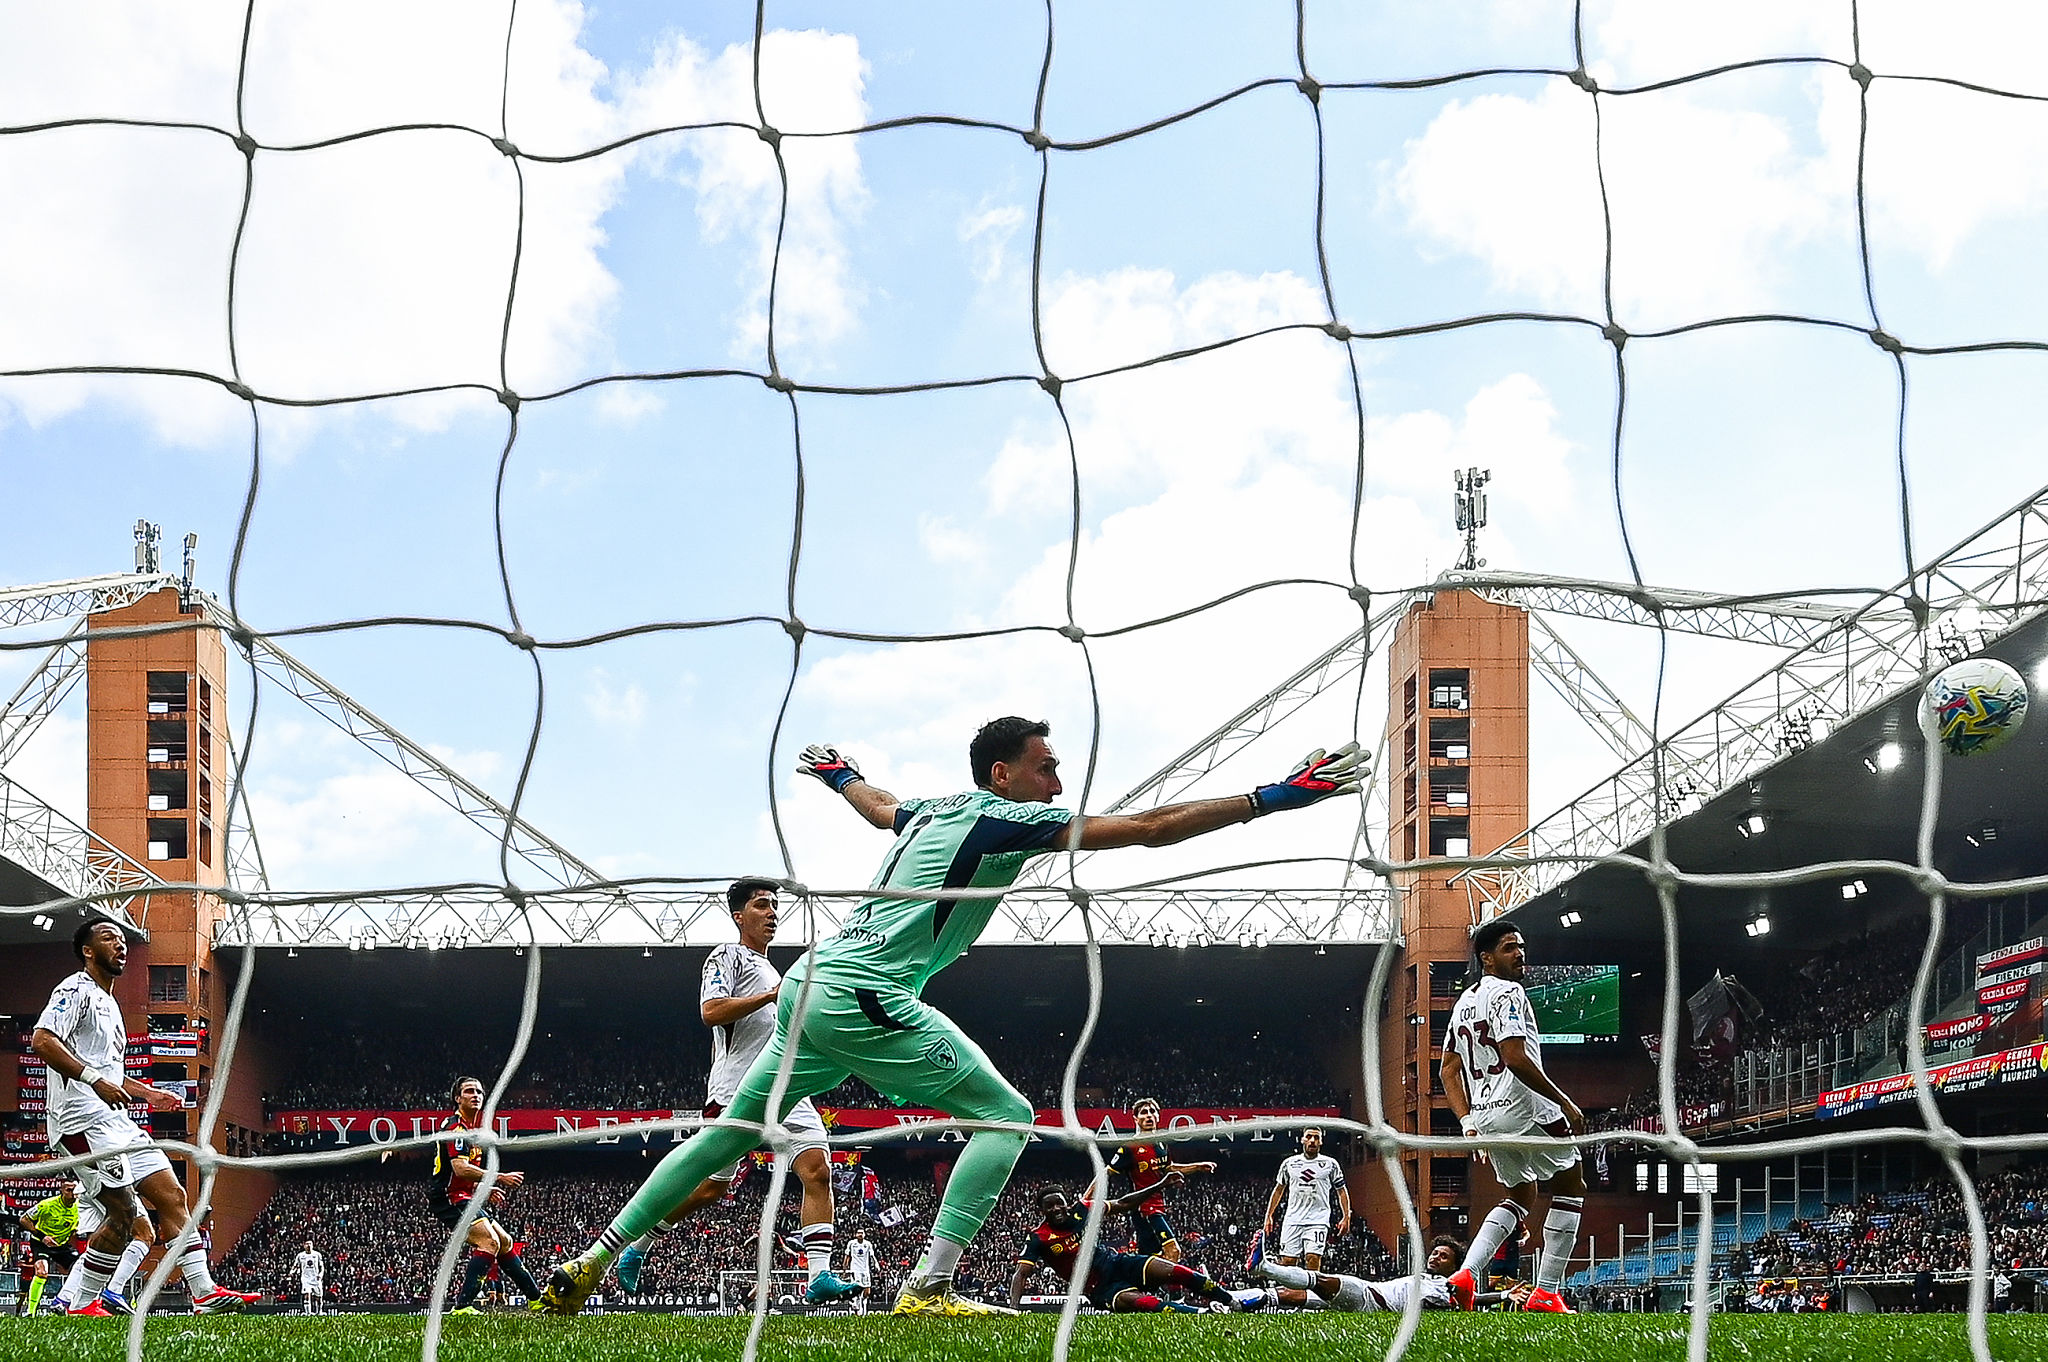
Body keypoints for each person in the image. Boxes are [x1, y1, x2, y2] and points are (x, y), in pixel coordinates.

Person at [537, 719, 1363, 1317]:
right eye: (1047, 768)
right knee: (1003, 1116)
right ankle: (929, 1289)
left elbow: (878, 805)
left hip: (808, 989)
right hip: (865, 993)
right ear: (1002, 776)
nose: (1058, 785)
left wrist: (837, 773)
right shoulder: (1011, 818)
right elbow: (1148, 829)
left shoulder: (932, 811)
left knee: (725, 1139)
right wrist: (1273, 797)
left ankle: (588, 1260)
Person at [613, 879, 857, 1306]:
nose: (772, 913)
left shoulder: (777, 971)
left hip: (786, 1088)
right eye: (762, 905)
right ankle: (637, 1245)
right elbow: (711, 1011)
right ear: (739, 916)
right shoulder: (727, 956)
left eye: (775, 907)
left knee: (818, 1170)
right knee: (710, 1188)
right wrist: (769, 996)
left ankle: (819, 1275)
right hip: (736, 1089)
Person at [31, 917, 257, 1315]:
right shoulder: (74, 990)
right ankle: (80, 1304)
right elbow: (42, 1040)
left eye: (122, 940)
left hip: (116, 1122)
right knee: (124, 1218)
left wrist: (147, 1092)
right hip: (79, 1122)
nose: (120, 945)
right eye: (108, 938)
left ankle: (203, 1293)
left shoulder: (110, 1004)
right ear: (88, 951)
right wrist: (93, 1081)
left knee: (173, 1195)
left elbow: (112, 1073)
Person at [1440, 920, 1588, 1314]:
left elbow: (1447, 1070)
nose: (1519, 953)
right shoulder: (1509, 993)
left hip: (1487, 1119)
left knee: (1521, 1194)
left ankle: (1467, 1275)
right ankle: (1547, 1293)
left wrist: (1467, 1122)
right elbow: (1515, 1057)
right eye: (1508, 947)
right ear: (1486, 958)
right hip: (1526, 1107)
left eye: (1520, 946)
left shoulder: (1463, 1004)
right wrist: (1565, 1102)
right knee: (1572, 1185)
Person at [1009, 1183, 1259, 1313]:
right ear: (1041, 1211)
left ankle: (1231, 1301)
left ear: (1066, 1203)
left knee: (1176, 1271)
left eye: (1059, 1204)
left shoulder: (1082, 1209)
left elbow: (1123, 1203)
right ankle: (1203, 1313)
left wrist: (1158, 1185)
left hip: (1119, 1263)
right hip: (1100, 1289)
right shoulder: (1039, 1238)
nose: (1056, 1209)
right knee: (1142, 1302)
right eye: (1049, 1207)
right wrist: (1014, 1310)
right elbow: (1021, 1274)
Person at [429, 1075, 545, 1313]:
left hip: (464, 1195)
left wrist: (485, 1188)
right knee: (488, 1242)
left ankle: (536, 1299)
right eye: (469, 1091)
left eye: (479, 1092)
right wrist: (499, 1177)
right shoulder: (456, 1128)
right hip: (448, 1198)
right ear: (457, 1098)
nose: (476, 1096)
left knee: (504, 1242)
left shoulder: (475, 1133)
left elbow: (467, 1174)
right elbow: (459, 1168)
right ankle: (462, 1308)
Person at [1248, 1234, 1529, 1311]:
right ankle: (1233, 1301)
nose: (1435, 1257)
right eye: (1435, 1252)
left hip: (1370, 1299)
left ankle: (1264, 1267)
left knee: (1321, 1280)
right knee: (1292, 1296)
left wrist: (1501, 1295)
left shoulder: (1444, 1290)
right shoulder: (1435, 1284)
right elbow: (1472, 1298)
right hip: (1371, 1293)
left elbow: (1461, 1299)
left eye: (1443, 1256)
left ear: (1454, 1267)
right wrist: (1503, 1294)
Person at [1098, 1097, 1214, 1262]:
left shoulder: (1160, 1144)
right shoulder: (1130, 1146)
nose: (1149, 1116)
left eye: (1152, 1111)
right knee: (1173, 1252)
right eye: (1144, 1113)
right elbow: (1107, 1172)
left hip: (1159, 1205)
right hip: (1145, 1208)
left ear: (1158, 1116)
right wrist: (1084, 1200)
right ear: (1136, 1119)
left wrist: (1197, 1167)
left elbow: (1168, 1168)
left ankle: (1139, 1285)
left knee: (1147, 1258)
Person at [1261, 1127, 1349, 1274]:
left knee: (1313, 1258)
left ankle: (1312, 1296)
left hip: (1318, 1219)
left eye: (1316, 1138)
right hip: (1293, 1219)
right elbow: (1278, 1190)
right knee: (1288, 1262)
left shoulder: (1330, 1164)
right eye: (1309, 1137)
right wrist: (1268, 1215)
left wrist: (1346, 1216)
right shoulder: (1289, 1163)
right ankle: (1291, 1296)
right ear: (1302, 1140)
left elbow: (1341, 1190)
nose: (1312, 1141)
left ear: (1321, 1142)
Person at [15, 1179, 79, 1316]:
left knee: (81, 1268)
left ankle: (68, 1305)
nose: (73, 1194)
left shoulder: (80, 1207)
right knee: (42, 1271)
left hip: (61, 1245)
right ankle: (30, 1312)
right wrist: (42, 1236)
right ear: (61, 1191)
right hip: (41, 1243)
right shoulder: (47, 1205)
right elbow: (23, 1219)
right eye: (69, 1190)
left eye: (75, 1190)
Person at [844, 1228, 876, 1313]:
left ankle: (861, 1301)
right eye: (858, 1233)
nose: (860, 1234)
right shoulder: (851, 1243)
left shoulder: (868, 1244)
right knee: (857, 1289)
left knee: (867, 1292)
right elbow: (847, 1256)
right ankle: (856, 1303)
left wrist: (876, 1264)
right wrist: (845, 1268)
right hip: (855, 1270)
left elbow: (872, 1255)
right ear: (856, 1234)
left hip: (865, 1270)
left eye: (862, 1233)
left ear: (864, 1234)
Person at [294, 1240, 325, 1314]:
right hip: (305, 1278)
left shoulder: (317, 1255)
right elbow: (295, 1266)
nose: (308, 1245)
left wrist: (320, 1275)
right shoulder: (300, 1255)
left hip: (315, 1278)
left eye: (310, 1244)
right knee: (307, 1294)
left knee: (319, 1297)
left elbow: (322, 1267)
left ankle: (319, 1311)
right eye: (307, 1244)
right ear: (304, 1245)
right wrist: (292, 1272)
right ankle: (308, 1313)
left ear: (313, 1245)